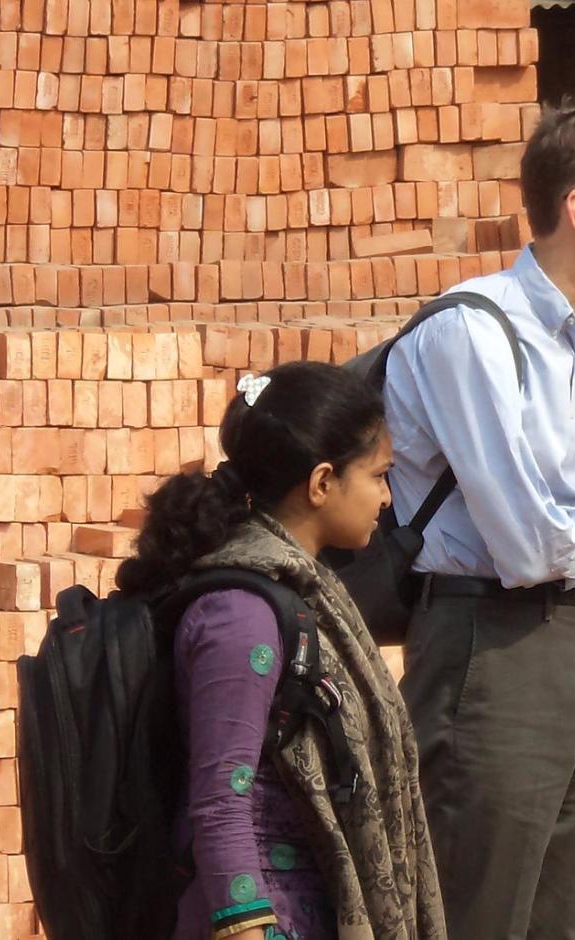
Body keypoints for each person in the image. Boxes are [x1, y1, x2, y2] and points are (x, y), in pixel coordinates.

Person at [381, 101, 575, 940]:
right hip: (484, 644)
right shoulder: (472, 332)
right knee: (479, 910)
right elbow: (524, 546)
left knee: (555, 915)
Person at [113, 361, 445, 940]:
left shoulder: (302, 589)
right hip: (262, 917)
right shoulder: (241, 615)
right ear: (322, 483)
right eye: (378, 476)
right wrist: (244, 922)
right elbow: (219, 797)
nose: (388, 499)